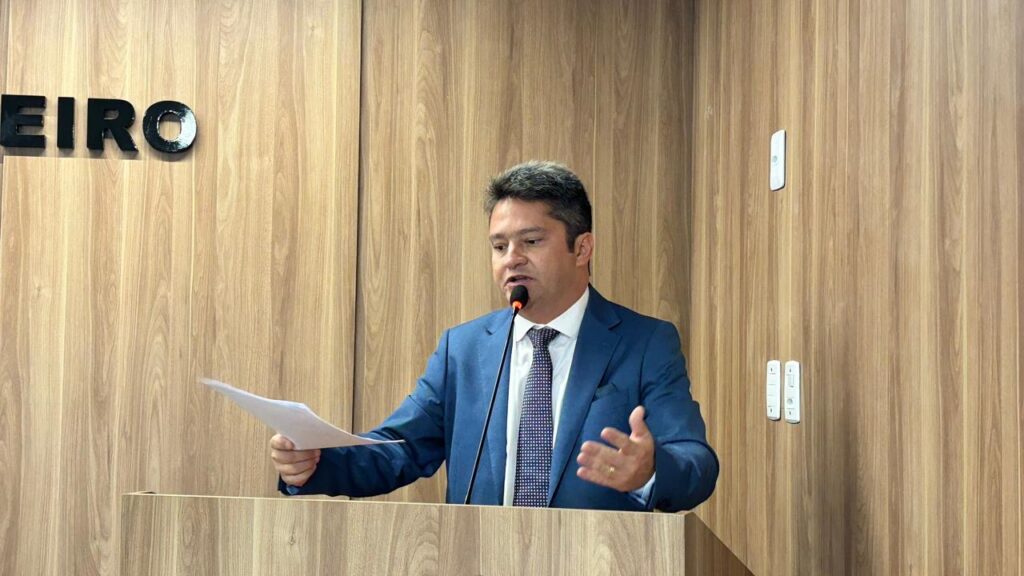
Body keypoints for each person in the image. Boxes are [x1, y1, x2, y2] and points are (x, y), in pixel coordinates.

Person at [270, 161, 718, 512]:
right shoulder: (464, 350)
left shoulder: (644, 344)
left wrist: (650, 470)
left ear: (582, 248)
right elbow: (399, 452)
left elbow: (697, 463)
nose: (511, 259)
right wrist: (316, 462)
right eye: (499, 246)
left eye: (531, 242)